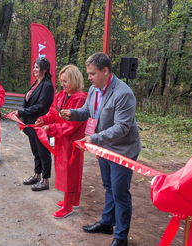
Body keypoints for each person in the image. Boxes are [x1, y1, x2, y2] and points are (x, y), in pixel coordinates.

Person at [60, 52, 141, 246]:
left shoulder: (123, 93)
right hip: (104, 146)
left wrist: (94, 138)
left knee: (120, 193)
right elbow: (88, 112)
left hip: (122, 150)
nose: (88, 77)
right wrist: (71, 113)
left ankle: (121, 237)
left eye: (92, 73)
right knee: (109, 187)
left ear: (105, 71)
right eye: (88, 73)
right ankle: (107, 222)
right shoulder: (94, 89)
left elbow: (122, 127)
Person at [36, 65, 87, 218]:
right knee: (64, 169)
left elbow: (71, 125)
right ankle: (73, 200)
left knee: (70, 172)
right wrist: (43, 119)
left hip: (72, 140)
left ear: (74, 80)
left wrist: (50, 128)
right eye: (62, 81)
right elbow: (53, 111)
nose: (63, 85)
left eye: (66, 81)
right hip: (61, 139)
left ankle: (68, 205)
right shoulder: (61, 95)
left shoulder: (80, 98)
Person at [11, 57, 54, 191]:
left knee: (43, 152)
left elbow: (41, 106)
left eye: (38, 67)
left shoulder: (47, 85)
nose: (35, 70)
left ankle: (45, 180)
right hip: (30, 124)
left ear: (45, 70)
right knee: (35, 151)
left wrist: (22, 112)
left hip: (40, 123)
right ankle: (37, 174)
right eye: (34, 67)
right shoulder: (36, 83)